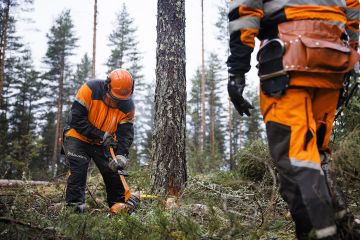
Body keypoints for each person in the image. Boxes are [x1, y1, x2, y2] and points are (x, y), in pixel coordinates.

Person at [226, 0, 359, 239]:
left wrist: (237, 70)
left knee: (296, 159)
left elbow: (245, 9)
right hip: (334, 59)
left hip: (288, 61)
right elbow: (354, 9)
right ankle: (344, 227)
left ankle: (320, 234)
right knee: (316, 155)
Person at [63, 68, 136, 214]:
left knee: (113, 172)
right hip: (78, 137)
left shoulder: (128, 107)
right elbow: (76, 120)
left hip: (101, 144)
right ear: (107, 86)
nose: (117, 103)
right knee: (79, 170)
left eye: (121, 100)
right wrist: (101, 135)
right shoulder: (89, 90)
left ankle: (118, 209)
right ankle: (74, 210)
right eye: (114, 99)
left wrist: (121, 155)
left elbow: (125, 134)